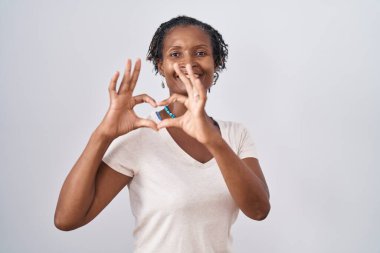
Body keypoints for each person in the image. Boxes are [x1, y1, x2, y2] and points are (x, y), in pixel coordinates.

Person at [54, 16, 270, 252]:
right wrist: (103, 135)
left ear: (216, 62)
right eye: (175, 54)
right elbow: (67, 220)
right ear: (160, 65)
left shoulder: (235, 135)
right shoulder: (141, 136)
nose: (188, 63)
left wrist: (213, 140)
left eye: (200, 53)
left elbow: (259, 210)